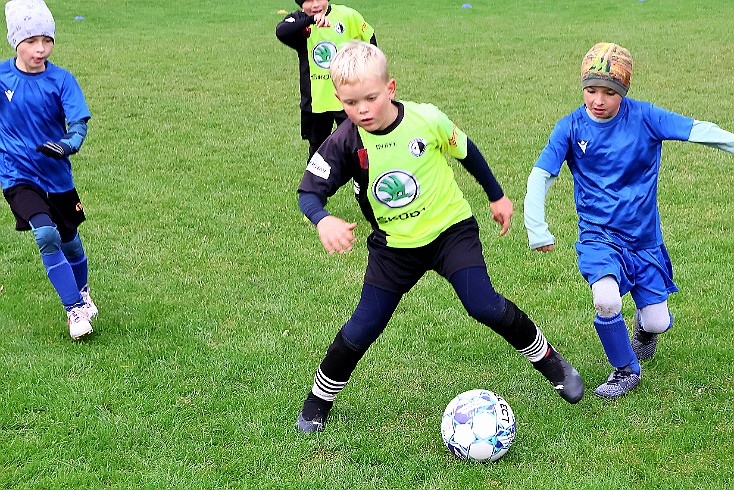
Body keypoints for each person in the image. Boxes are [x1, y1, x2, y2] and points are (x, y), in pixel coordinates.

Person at [295, 41, 584, 433]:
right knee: (363, 326)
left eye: (370, 98)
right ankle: (318, 401)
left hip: (451, 232)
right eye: (349, 103)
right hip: (394, 248)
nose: (360, 110)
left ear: (390, 88)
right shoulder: (346, 140)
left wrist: (496, 195)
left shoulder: (425, 119)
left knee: (482, 304)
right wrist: (322, 219)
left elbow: (467, 151)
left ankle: (550, 361)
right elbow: (309, 192)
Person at [523, 42, 734, 398]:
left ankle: (644, 332)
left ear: (624, 91)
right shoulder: (571, 128)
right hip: (598, 237)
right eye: (591, 91)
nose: (598, 100)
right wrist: (536, 226)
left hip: (643, 241)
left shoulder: (645, 117)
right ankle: (625, 370)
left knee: (657, 320)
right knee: (606, 300)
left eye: (609, 92)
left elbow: (698, 129)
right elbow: (541, 174)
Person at [1, 0, 97, 340]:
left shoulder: (62, 79)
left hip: (57, 177)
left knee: (70, 240)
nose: (40, 49)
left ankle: (83, 293)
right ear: (15, 41)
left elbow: (79, 123)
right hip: (18, 177)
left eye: (47, 40)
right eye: (31, 42)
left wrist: (69, 144)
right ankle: (74, 310)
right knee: (46, 234)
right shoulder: (2, 78)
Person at [276, 0, 377, 163]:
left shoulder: (347, 15)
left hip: (349, 98)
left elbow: (370, 38)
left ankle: (362, 186)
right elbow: (281, 31)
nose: (315, 4)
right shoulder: (300, 22)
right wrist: (311, 20)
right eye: (308, 0)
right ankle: (314, 187)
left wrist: (370, 72)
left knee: (360, 147)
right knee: (317, 150)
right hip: (316, 103)